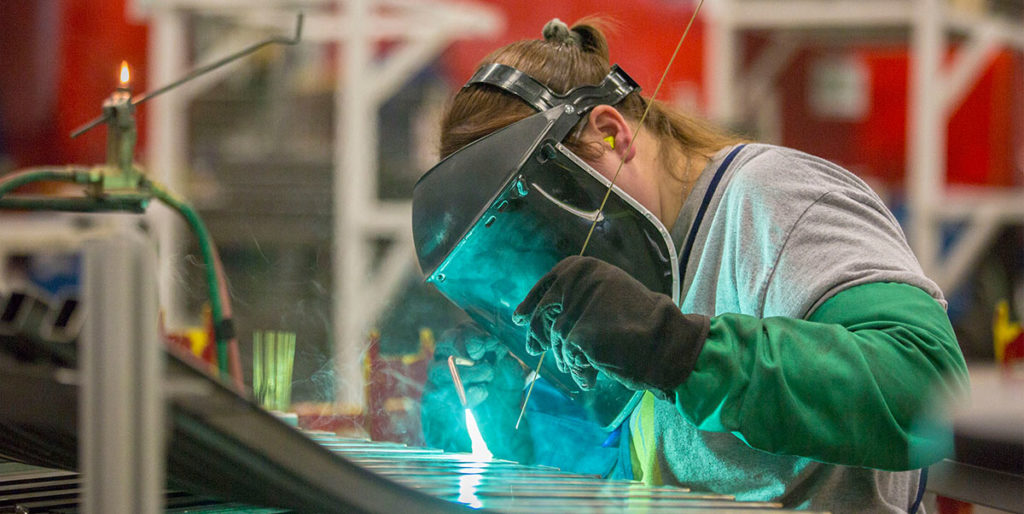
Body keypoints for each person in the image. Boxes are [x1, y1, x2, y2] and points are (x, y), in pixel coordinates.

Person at [419, 17, 969, 512]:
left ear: (611, 133)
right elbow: (645, 477)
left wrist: (678, 351)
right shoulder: (645, 269)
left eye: (547, 239)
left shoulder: (772, 200)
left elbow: (930, 394)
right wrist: (517, 431)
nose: (553, 268)